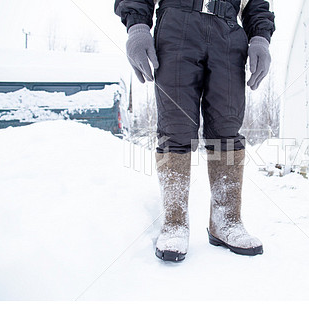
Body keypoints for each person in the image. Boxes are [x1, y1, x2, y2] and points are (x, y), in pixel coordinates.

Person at [115, 0, 275, 262]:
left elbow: (257, 3)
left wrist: (260, 37)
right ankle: (174, 223)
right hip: (177, 26)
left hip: (229, 32)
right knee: (175, 127)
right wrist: (137, 27)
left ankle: (226, 221)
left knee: (227, 126)